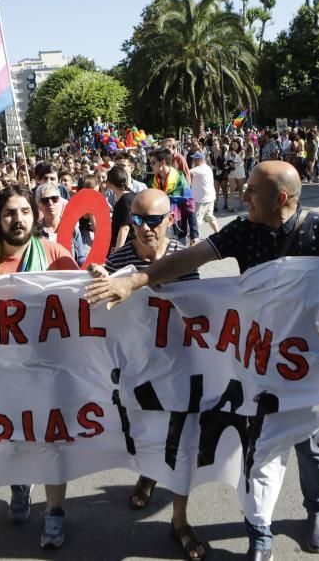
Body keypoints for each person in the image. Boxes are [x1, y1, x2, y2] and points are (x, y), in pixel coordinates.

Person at [85, 161, 319, 561]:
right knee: (258, 446)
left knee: (313, 445)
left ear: (279, 199)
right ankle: (259, 532)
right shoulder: (243, 230)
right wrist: (134, 279)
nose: (242, 196)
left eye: (252, 191)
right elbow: (189, 259)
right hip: (258, 362)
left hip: (310, 363)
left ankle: (318, 510)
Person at [0, 186, 78, 549]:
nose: (18, 218)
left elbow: (78, 303)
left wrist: (97, 277)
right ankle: (20, 484)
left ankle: (55, 511)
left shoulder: (55, 255)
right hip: (0, 370)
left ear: (35, 215)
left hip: (49, 368)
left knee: (53, 440)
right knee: (13, 436)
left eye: (25, 211)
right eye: (10, 212)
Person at [89, 189, 206, 560]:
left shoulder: (186, 256)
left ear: (169, 218)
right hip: (137, 366)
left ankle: (180, 519)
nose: (144, 228)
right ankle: (148, 474)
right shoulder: (121, 257)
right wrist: (97, 277)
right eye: (137, 220)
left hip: (180, 365)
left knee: (182, 442)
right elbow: (102, 305)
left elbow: (201, 308)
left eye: (153, 220)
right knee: (143, 432)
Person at [35, 182, 86, 267]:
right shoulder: (35, 232)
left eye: (54, 199)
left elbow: (81, 258)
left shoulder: (73, 229)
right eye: (45, 200)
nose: (50, 203)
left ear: (60, 201)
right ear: (39, 205)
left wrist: (90, 266)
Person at [189, 150, 219, 238]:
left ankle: (194, 237)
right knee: (209, 216)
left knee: (197, 219)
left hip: (202, 199)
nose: (194, 161)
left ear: (201, 160)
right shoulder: (207, 167)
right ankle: (217, 233)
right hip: (210, 197)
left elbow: (188, 172)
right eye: (194, 159)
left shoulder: (200, 168)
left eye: (195, 159)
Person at [106, 165, 136, 253]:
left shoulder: (125, 200)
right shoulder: (129, 196)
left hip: (127, 248)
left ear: (109, 183)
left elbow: (125, 227)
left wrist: (117, 252)